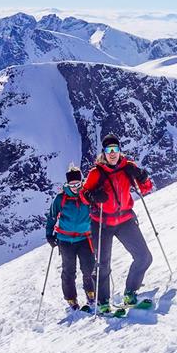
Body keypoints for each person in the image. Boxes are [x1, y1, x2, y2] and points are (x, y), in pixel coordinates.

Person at [80, 134, 154, 314]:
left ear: (119, 150)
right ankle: (103, 301)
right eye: (108, 150)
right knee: (103, 264)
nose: (112, 153)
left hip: (125, 220)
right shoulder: (96, 173)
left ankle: (130, 292)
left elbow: (146, 188)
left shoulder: (128, 168)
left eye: (115, 149)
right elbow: (83, 195)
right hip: (102, 223)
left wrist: (141, 176)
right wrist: (92, 196)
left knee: (144, 257)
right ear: (103, 153)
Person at [44, 165, 96, 311]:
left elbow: (97, 210)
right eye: (72, 184)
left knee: (89, 267)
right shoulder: (60, 199)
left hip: (85, 238)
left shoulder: (87, 195)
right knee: (69, 270)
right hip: (65, 240)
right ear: (67, 184)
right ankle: (71, 298)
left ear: (82, 182)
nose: (75, 187)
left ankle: (91, 293)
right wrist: (49, 234)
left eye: (77, 184)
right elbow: (52, 217)